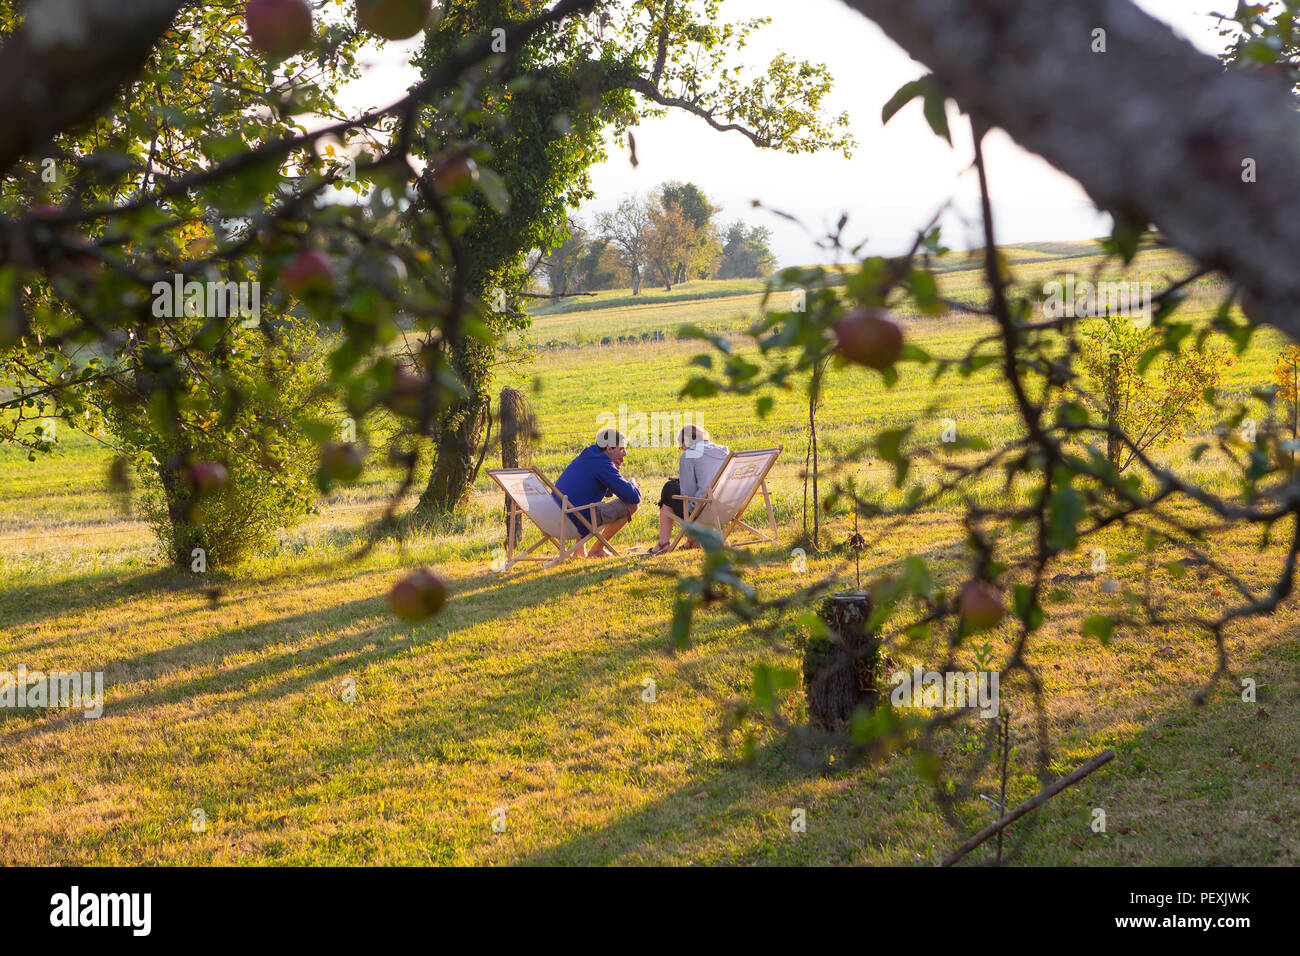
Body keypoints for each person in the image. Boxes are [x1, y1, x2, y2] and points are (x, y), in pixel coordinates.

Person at [553, 427, 641, 557]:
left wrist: (613, 473)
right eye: (621, 448)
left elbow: (606, 492)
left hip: (555, 517)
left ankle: (579, 551)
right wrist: (632, 484)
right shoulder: (602, 464)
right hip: (574, 521)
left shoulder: (588, 456)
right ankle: (597, 549)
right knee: (632, 506)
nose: (625, 453)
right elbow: (633, 497)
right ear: (609, 448)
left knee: (584, 502)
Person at [646, 424, 729, 555]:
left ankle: (664, 543)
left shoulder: (689, 455)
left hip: (702, 511)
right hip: (727, 507)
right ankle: (692, 541)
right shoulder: (723, 451)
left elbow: (688, 495)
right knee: (682, 492)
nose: (681, 448)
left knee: (669, 488)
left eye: (681, 444)